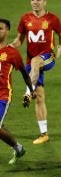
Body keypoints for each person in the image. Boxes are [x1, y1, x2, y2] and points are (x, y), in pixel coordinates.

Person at [11, 0, 61, 144]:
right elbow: (19, 39)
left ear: (45, 2)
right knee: (39, 97)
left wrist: (60, 49)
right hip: (31, 63)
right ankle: (44, 134)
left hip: (47, 58)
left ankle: (28, 92)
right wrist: (12, 46)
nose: (35, 2)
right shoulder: (25, 18)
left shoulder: (52, 19)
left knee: (36, 61)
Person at [0, 19, 34, 164]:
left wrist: (31, 91)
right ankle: (18, 148)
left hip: (2, 95)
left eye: (0, 28)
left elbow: (25, 74)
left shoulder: (12, 53)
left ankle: (18, 148)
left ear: (8, 31)